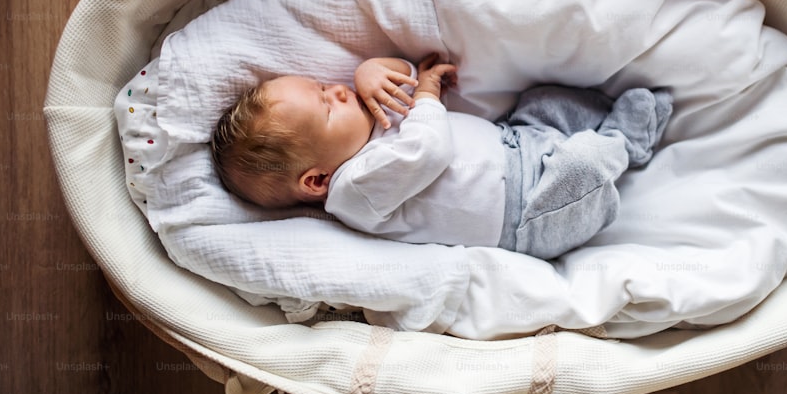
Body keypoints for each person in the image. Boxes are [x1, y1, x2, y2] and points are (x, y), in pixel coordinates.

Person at [211, 54, 672, 260]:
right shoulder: (353, 193)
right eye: (327, 107)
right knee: (582, 170)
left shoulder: (371, 124)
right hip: (532, 214)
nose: (336, 90)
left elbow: (407, 78)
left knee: (544, 99)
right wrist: (428, 92)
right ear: (315, 181)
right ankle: (624, 141)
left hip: (517, 139)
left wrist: (372, 71)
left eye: (321, 87)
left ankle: (606, 124)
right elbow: (429, 148)